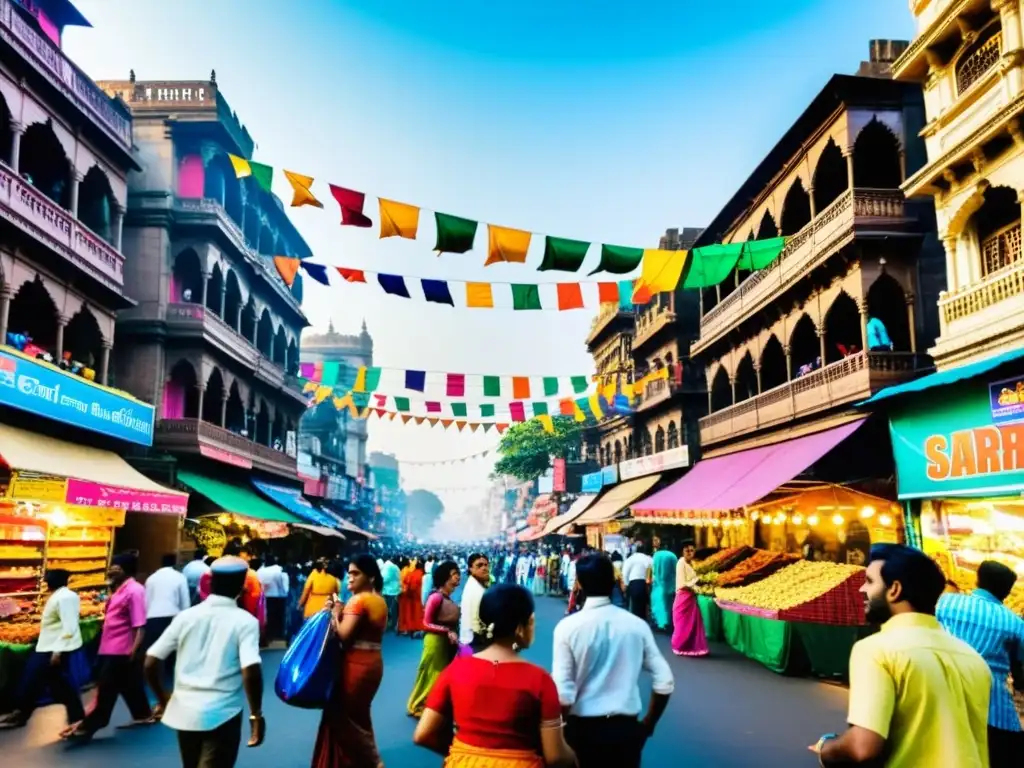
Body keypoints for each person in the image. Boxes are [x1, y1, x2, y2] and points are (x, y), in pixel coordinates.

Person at [810, 543, 990, 767]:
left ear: (894, 589)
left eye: (869, 581)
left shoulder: (876, 650)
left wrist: (826, 748)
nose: (861, 590)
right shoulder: (973, 658)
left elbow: (862, 747)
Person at [413, 584, 576, 768]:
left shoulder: (456, 669)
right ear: (520, 628)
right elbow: (555, 756)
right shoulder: (540, 679)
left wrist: (464, 753)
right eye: (532, 621)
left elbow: (423, 734)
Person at [553, 554, 674, 768]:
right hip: (625, 730)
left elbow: (563, 693)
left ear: (578, 583)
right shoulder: (636, 625)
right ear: (613, 581)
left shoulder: (567, 628)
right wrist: (648, 724)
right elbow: (664, 682)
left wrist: (560, 732)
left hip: (582, 729)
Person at [144, 556, 265, 768]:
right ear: (242, 585)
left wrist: (163, 699)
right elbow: (251, 670)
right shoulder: (246, 622)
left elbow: (151, 662)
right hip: (223, 713)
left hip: (184, 710)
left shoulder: (185, 617)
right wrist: (256, 715)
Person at [936, 559, 1024, 767]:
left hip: (941, 699)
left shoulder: (944, 603)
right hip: (993, 713)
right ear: (1007, 591)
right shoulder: (1013, 622)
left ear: (978, 580)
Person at [312, 554, 388, 768]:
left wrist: (336, 613)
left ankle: (373, 761)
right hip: (372, 663)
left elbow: (344, 635)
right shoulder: (378, 599)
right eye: (349, 573)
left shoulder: (359, 600)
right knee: (359, 714)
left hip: (356, 665)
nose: (350, 578)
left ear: (371, 577)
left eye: (356, 573)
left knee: (345, 717)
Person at [68, 553, 154, 740]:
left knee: (106, 688)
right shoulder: (119, 590)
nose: (112, 570)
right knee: (129, 685)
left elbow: (139, 625)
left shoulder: (135, 590)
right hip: (111, 646)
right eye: (112, 566)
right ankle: (143, 714)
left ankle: (90, 725)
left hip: (121, 649)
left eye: (117, 567)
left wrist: (135, 650)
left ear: (126, 570)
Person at [0, 569, 84, 732]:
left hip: (53, 648)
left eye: (48, 580)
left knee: (34, 678)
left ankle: (21, 714)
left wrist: (58, 652)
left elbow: (69, 626)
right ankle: (76, 717)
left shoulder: (65, 597)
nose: (45, 583)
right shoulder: (60, 595)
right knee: (56, 682)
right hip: (48, 646)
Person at [407, 561, 461, 718]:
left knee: (440, 675)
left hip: (445, 642)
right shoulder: (436, 597)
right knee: (431, 675)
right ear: (445, 578)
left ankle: (432, 705)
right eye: (454, 573)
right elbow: (425, 623)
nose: (458, 576)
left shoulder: (447, 598)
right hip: (435, 642)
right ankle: (419, 705)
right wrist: (446, 631)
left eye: (458, 572)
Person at [199, 543, 265, 630]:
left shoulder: (188, 618)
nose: (249, 559)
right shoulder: (250, 575)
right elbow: (255, 599)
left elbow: (203, 594)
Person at [145, 553, 190, 653]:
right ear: (174, 563)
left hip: (152, 619)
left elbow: (146, 602)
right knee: (171, 656)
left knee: (153, 653)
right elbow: (185, 603)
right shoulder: (180, 577)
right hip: (172, 618)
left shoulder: (151, 579)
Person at [671, 541, 708, 657]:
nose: (690, 553)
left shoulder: (692, 563)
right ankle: (679, 646)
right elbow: (683, 583)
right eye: (687, 550)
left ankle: (693, 647)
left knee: (693, 623)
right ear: (682, 551)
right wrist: (698, 581)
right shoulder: (680, 563)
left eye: (692, 550)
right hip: (683, 596)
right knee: (682, 623)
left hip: (691, 597)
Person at [257, 553, 290, 644]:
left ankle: (269, 635)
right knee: (279, 616)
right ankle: (279, 635)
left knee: (268, 616)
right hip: (279, 596)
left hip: (266, 596)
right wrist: (285, 593)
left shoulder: (260, 571)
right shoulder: (278, 569)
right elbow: (281, 584)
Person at [459, 553, 490, 649]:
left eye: (486, 565)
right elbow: (478, 620)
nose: (484, 568)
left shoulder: (475, 583)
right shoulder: (475, 589)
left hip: (470, 639)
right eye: (479, 565)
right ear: (471, 569)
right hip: (475, 640)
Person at [649, 537, 677, 633]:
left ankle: (660, 624)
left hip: (657, 584)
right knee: (669, 606)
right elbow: (675, 571)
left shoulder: (656, 555)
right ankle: (668, 625)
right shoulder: (673, 556)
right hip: (670, 585)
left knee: (658, 605)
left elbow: (653, 569)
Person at [621, 542, 653, 622]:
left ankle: (634, 621)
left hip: (633, 583)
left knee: (633, 604)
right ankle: (644, 620)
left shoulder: (630, 559)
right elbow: (652, 570)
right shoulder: (648, 558)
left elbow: (625, 573)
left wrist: (626, 584)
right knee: (644, 604)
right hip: (645, 584)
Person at [399, 559, 425, 636]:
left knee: (409, 614)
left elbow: (406, 582)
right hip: (417, 596)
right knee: (417, 613)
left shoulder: (411, 573)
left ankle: (409, 628)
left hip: (411, 596)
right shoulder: (421, 574)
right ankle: (416, 628)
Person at [380, 555, 402, 633]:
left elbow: (384, 578)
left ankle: (389, 626)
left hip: (389, 591)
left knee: (388, 609)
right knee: (393, 609)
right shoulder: (394, 567)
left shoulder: (388, 566)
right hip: (393, 591)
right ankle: (393, 625)